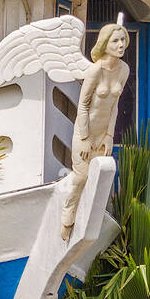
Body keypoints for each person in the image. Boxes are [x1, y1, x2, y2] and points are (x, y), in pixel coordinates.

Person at [62, 20, 130, 240]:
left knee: (99, 178)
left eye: (123, 40)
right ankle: (68, 215)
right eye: (116, 40)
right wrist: (84, 138)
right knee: (81, 177)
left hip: (103, 135)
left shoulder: (124, 70)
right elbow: (82, 105)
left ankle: (90, 221)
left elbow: (114, 106)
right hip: (85, 132)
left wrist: (109, 135)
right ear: (105, 43)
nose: (121, 45)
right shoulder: (95, 70)